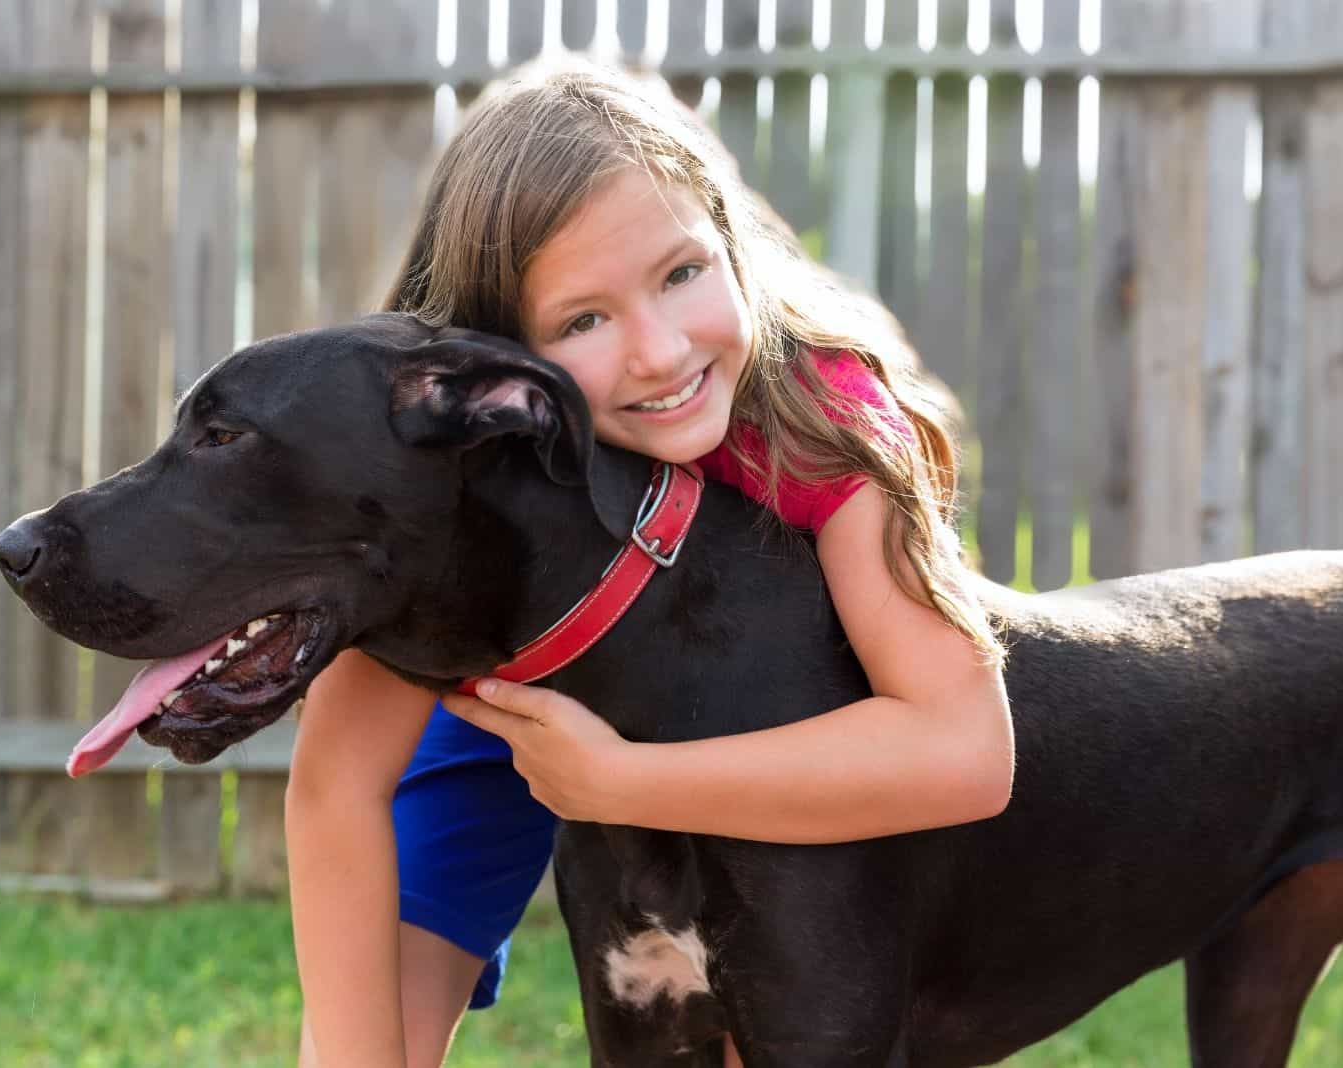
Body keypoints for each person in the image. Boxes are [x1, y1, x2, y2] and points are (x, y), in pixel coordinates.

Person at [284, 61, 1014, 1067]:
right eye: (582, 321)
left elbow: (964, 753)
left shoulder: (821, 426)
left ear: (727, 237)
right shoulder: (457, 459)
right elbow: (337, 790)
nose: (662, 353)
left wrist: (620, 782)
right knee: (370, 1038)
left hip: (743, 719)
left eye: (681, 273)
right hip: (503, 708)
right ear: (505, 371)